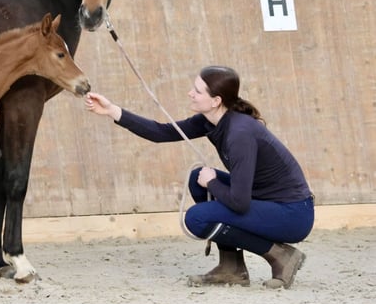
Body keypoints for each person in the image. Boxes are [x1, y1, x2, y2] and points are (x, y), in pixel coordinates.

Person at [84, 65, 314, 289]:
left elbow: (240, 203)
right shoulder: (211, 120)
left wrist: (212, 182)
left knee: (197, 219)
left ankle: (280, 255)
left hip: (291, 214)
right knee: (197, 179)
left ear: (216, 101)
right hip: (267, 203)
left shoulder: (239, 134)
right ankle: (231, 268)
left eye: (197, 90)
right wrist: (112, 110)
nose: (190, 93)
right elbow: (161, 132)